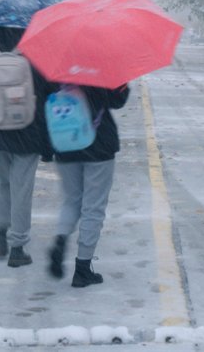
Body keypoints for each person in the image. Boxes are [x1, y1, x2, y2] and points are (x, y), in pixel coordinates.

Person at [0, 25, 54, 268]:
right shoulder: (35, 51)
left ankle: (0, 239)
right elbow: (47, 94)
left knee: (3, 182)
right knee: (22, 187)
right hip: (27, 131)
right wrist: (47, 140)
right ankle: (18, 247)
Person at [46, 83, 130, 288]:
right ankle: (82, 268)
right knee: (93, 206)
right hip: (98, 145)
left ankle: (61, 240)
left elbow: (44, 104)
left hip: (65, 142)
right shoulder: (104, 69)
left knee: (71, 201)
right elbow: (117, 101)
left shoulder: (56, 68)